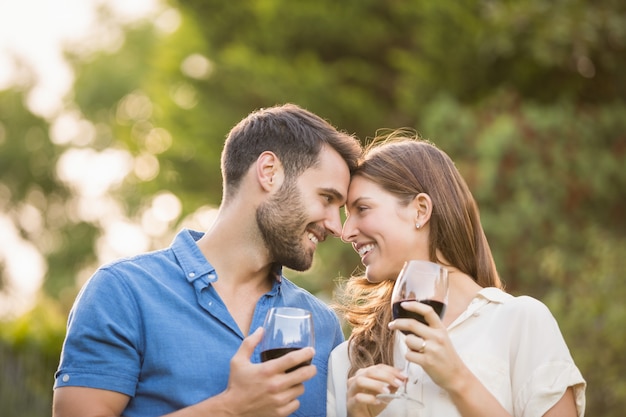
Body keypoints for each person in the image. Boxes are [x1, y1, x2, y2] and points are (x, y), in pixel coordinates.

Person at [52, 103, 362, 417]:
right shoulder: (124, 292)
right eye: (326, 199)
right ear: (270, 172)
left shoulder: (322, 325)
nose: (337, 226)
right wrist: (231, 408)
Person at [327, 132, 586, 417]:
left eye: (362, 209)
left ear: (421, 210)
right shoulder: (348, 360)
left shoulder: (521, 322)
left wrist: (457, 380)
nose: (345, 231)